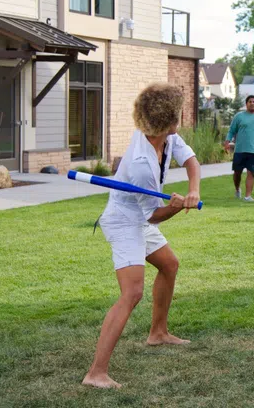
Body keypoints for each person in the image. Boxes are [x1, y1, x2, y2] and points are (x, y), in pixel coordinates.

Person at [83, 83, 201, 389]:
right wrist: (175, 207)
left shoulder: (167, 135)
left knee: (169, 265)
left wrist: (193, 191)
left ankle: (157, 333)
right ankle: (96, 373)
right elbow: (153, 216)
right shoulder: (140, 164)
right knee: (132, 293)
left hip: (140, 216)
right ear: (170, 120)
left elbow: (191, 162)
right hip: (124, 221)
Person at [224, 95, 254, 203]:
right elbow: (231, 130)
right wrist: (227, 141)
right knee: (237, 173)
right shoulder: (239, 116)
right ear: (246, 104)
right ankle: (237, 189)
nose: (252, 103)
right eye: (250, 101)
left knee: (251, 173)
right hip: (240, 150)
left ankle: (248, 196)